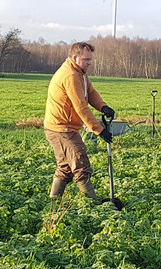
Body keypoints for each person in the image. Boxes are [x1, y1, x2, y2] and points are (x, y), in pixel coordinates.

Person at [43, 41, 115, 202]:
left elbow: (90, 92)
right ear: (75, 58)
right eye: (86, 60)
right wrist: (100, 130)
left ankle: (53, 202)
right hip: (61, 129)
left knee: (66, 167)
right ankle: (92, 203)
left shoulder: (79, 72)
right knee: (80, 164)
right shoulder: (70, 75)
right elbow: (80, 107)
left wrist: (103, 107)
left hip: (62, 127)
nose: (89, 63)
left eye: (90, 59)